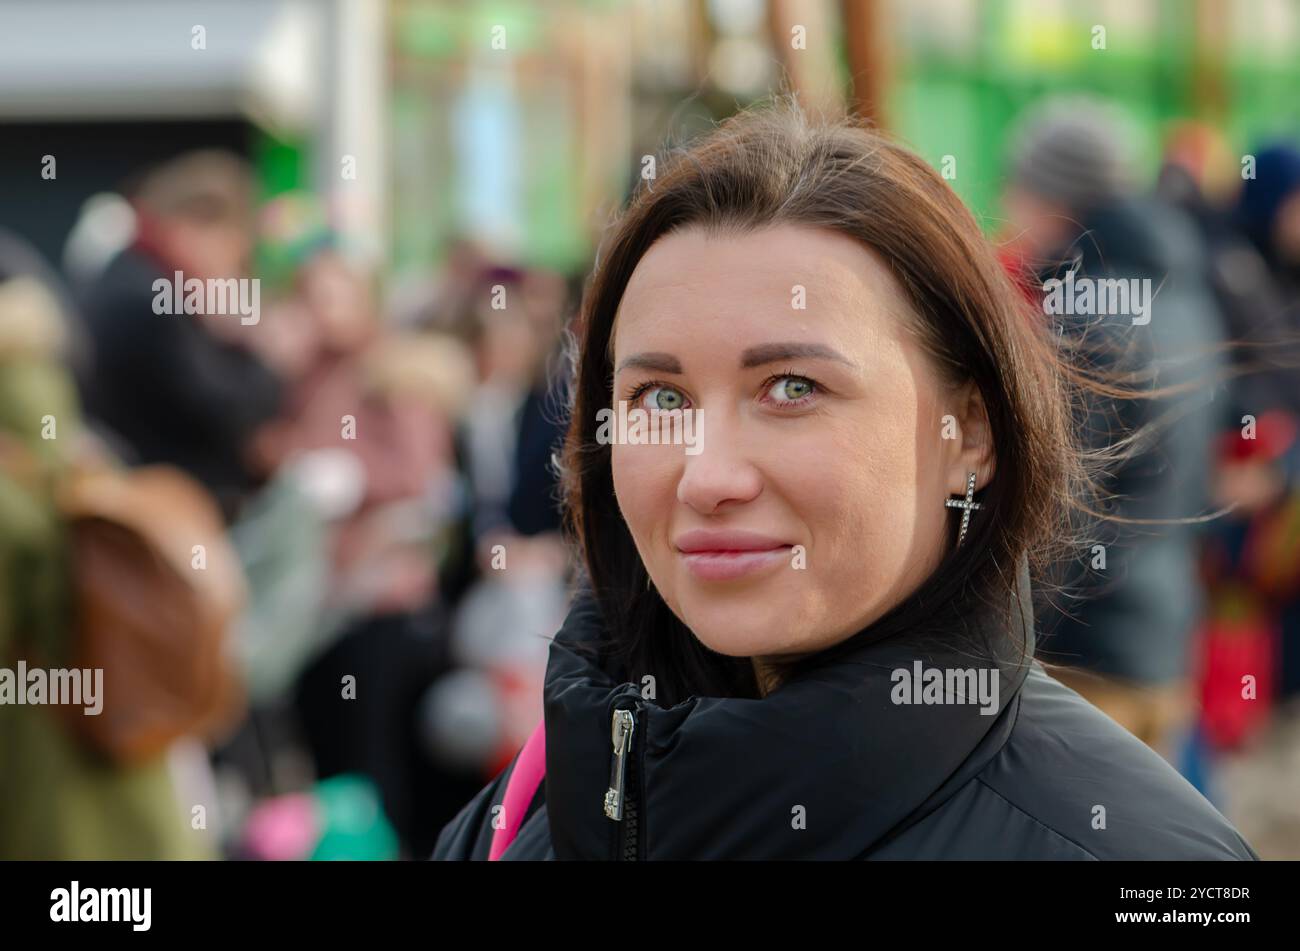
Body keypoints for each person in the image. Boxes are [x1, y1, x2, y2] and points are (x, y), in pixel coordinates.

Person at [432, 101, 1257, 860]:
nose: (708, 475)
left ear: (970, 431)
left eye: (793, 388)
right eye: (661, 396)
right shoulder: (531, 810)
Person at [999, 97, 1227, 764]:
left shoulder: (1086, 319)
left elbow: (1054, 502)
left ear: (1055, 200)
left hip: (1087, 651)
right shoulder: (1184, 291)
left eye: (1019, 188)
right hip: (1167, 630)